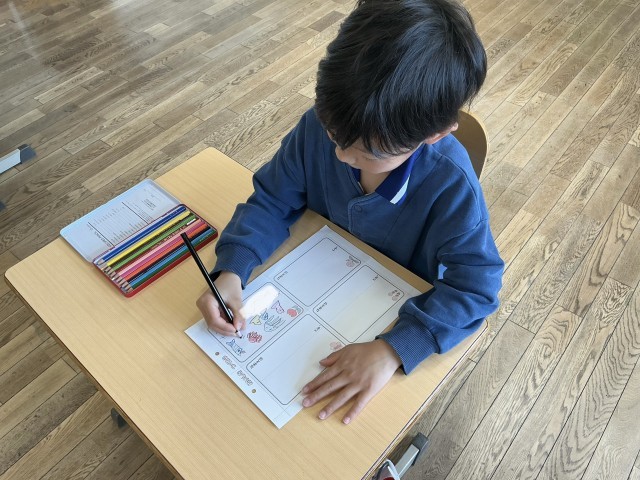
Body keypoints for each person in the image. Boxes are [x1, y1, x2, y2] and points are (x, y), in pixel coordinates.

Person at [196, 0, 504, 424]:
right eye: (334, 134)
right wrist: (232, 269)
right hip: (323, 285)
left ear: (435, 135)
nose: (341, 154)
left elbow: (476, 288)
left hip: (384, 316)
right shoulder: (319, 126)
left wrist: (394, 348)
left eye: (368, 153)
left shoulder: (451, 184)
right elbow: (272, 199)